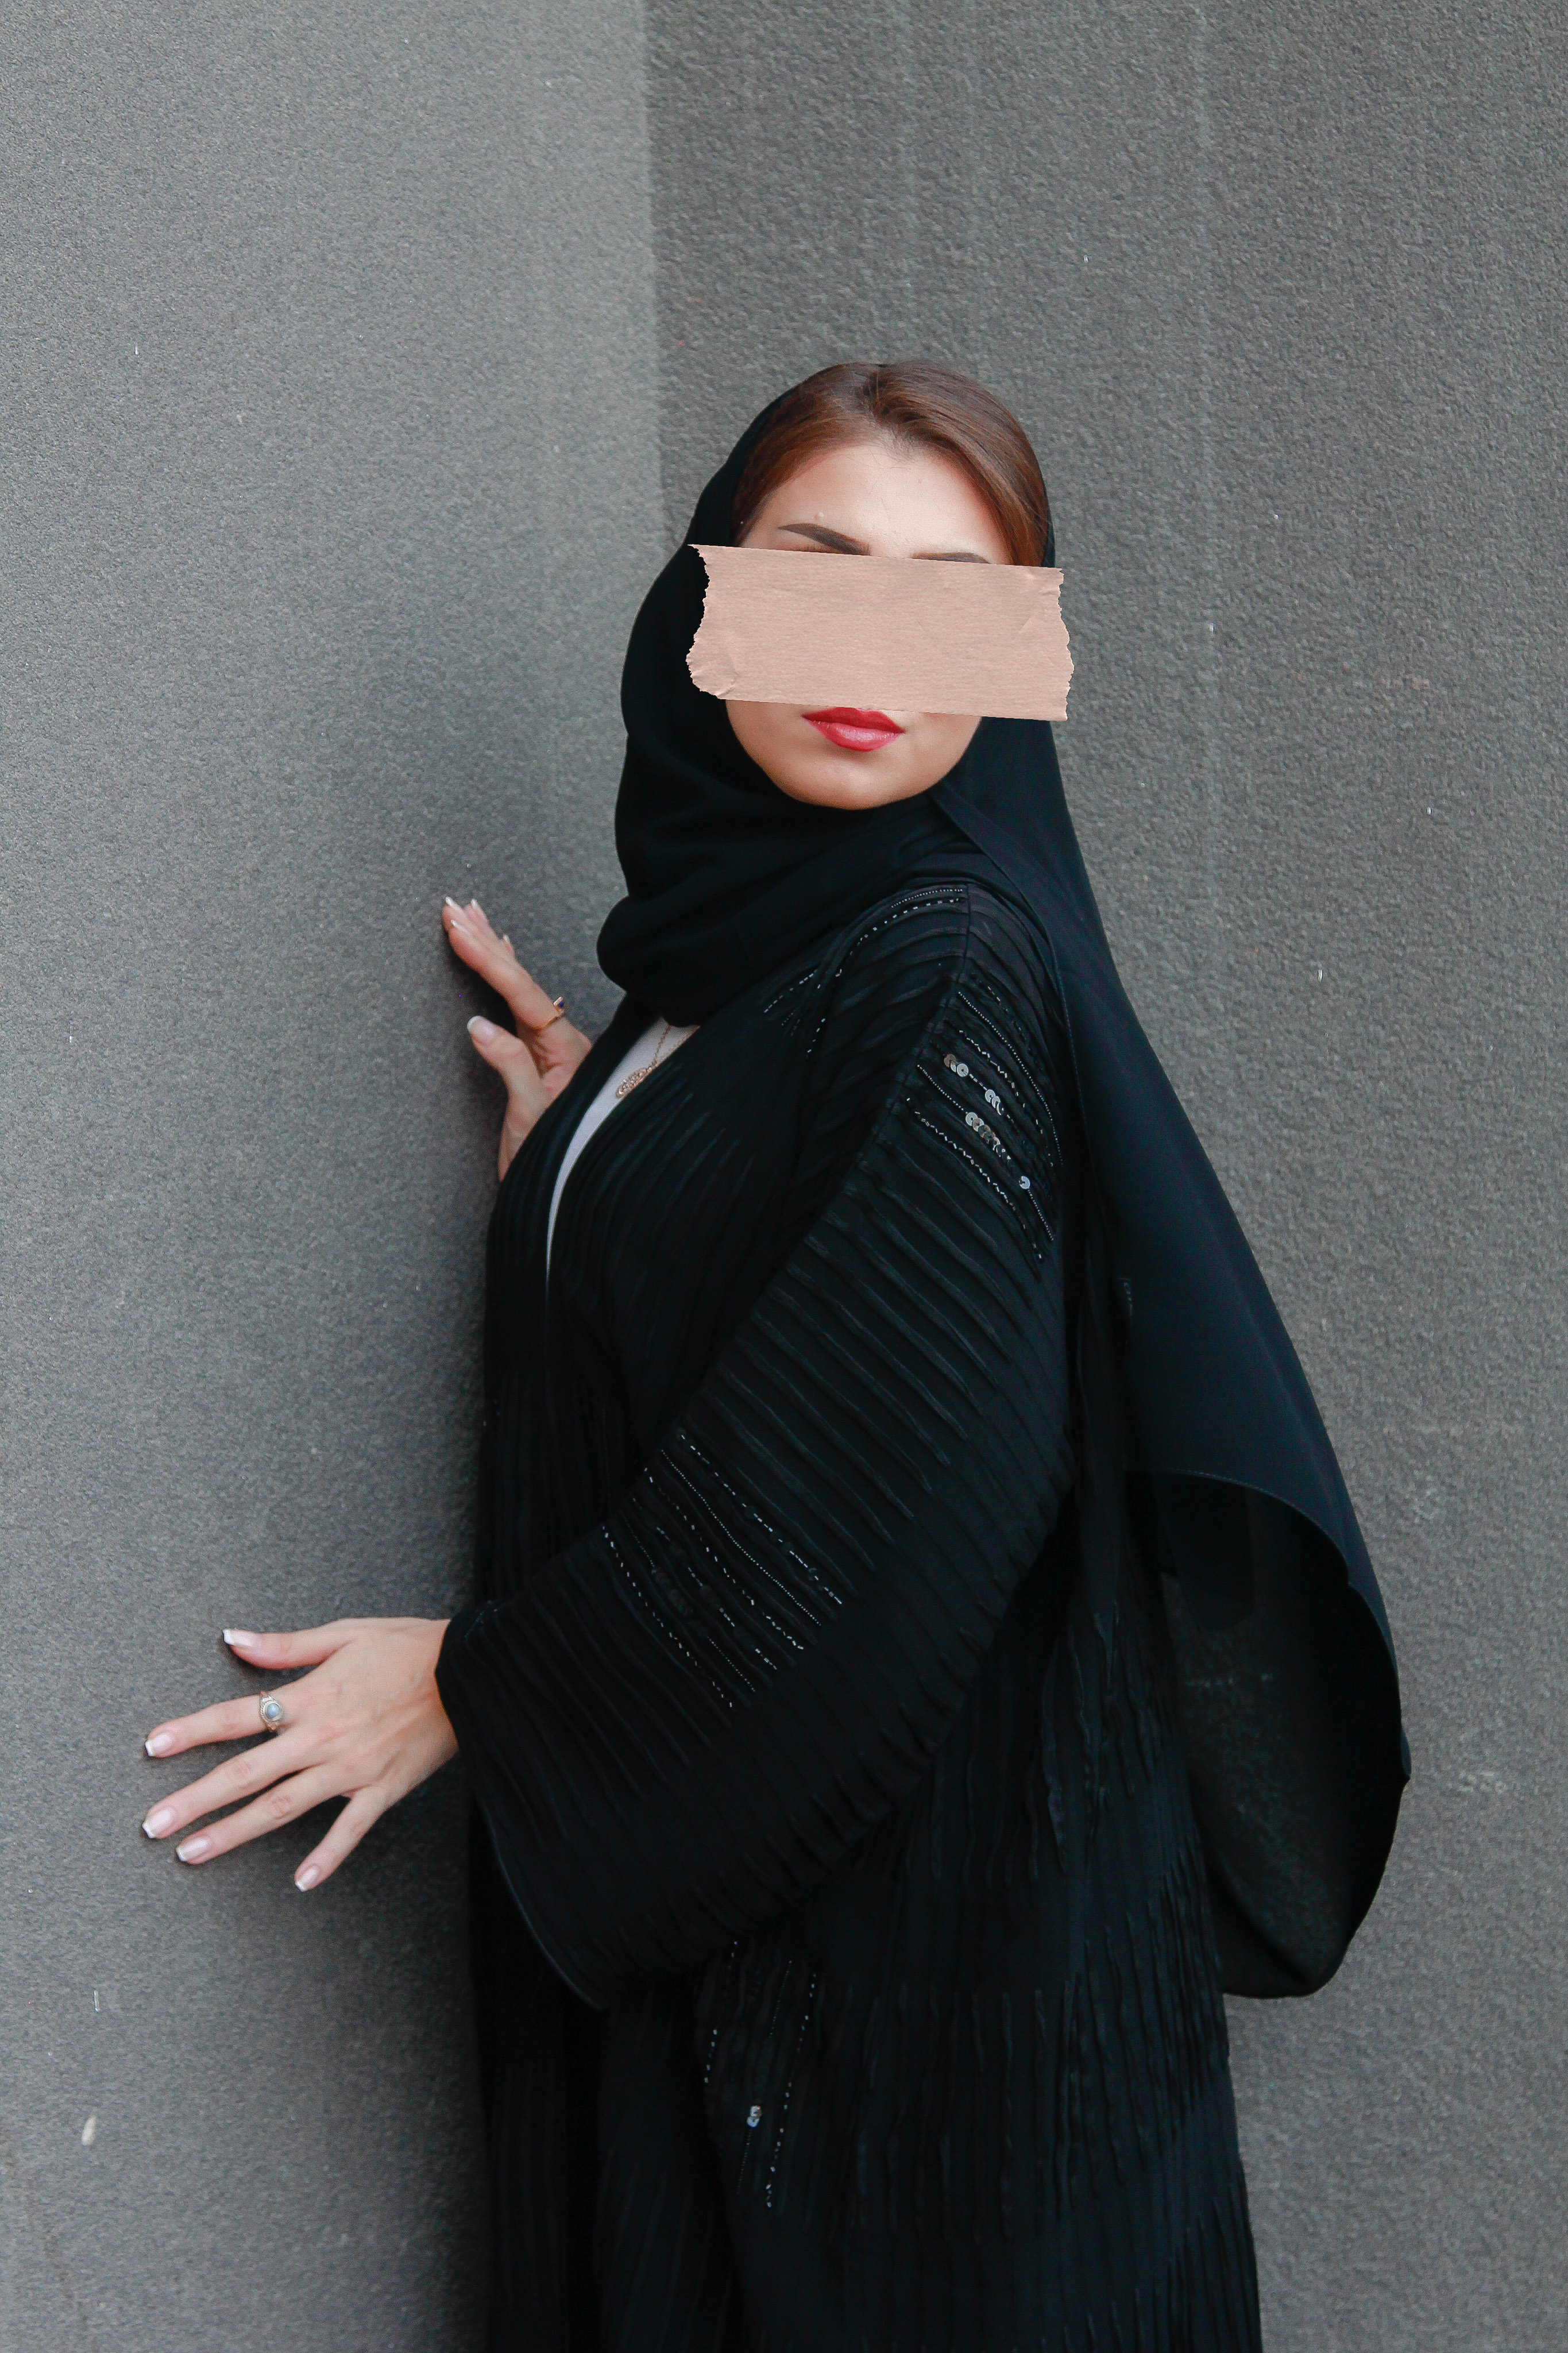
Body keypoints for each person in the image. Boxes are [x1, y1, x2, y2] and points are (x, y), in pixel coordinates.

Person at [142, 363, 1408, 2351]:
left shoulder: (948, 963)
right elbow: (814, 1305)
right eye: (819, 566)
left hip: (926, 2003)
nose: (875, 652)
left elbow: (859, 1494)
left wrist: (474, 1686)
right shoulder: (728, 982)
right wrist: (610, 1160)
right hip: (805, 1965)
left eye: (949, 601)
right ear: (709, 597)